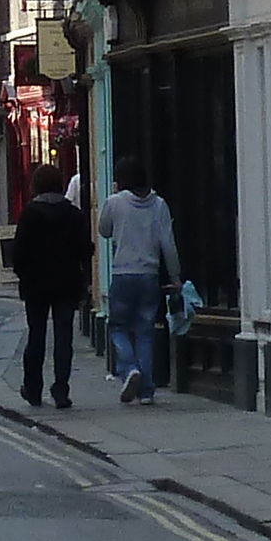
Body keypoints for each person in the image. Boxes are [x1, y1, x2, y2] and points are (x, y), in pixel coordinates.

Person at [7, 173, 92, 409]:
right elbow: (85, 249)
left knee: (37, 335)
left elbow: (19, 251)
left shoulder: (30, 213)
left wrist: (23, 274)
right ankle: (61, 391)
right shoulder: (73, 214)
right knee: (64, 338)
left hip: (36, 284)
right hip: (66, 283)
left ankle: (33, 388)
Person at [98, 169, 179, 403]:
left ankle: (130, 368)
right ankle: (146, 391)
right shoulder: (159, 205)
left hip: (123, 273)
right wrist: (175, 275)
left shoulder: (115, 202)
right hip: (149, 275)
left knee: (118, 327)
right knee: (145, 332)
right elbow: (168, 243)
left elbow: (104, 231)